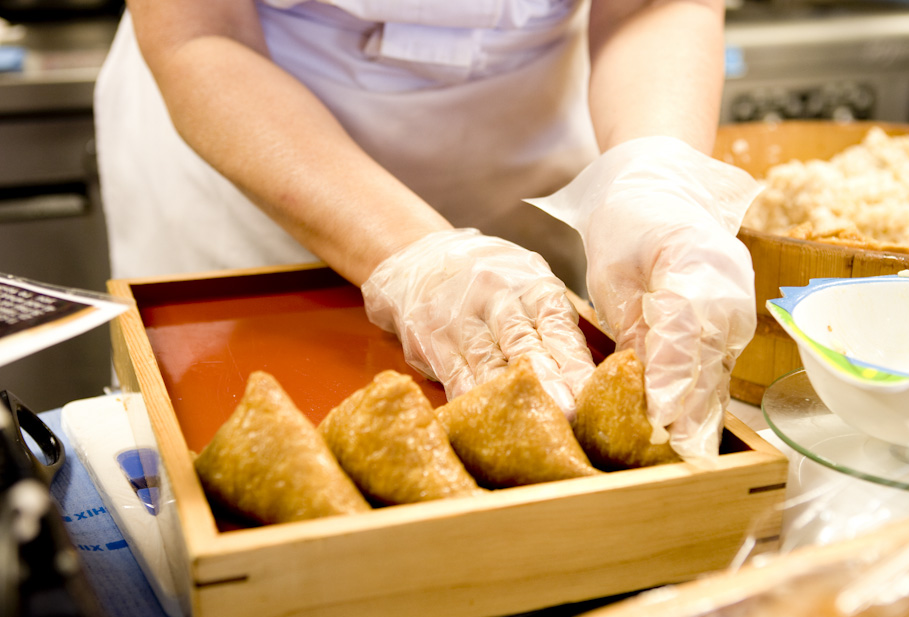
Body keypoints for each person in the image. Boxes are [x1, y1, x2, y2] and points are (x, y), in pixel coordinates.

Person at [94, 0, 761, 462]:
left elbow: (653, 7)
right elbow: (202, 31)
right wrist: (414, 251)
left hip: (525, 145)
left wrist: (652, 174)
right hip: (257, 155)